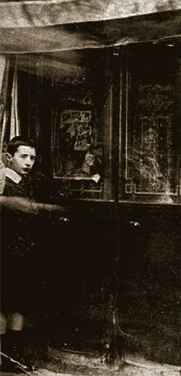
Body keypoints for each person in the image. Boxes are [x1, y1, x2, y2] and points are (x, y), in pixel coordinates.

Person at [0, 137, 63, 373]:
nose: (28, 162)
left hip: (24, 251)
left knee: (19, 301)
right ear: (9, 157)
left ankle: (13, 351)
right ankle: (6, 353)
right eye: (23, 157)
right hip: (4, 249)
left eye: (32, 158)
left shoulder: (31, 182)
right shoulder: (2, 181)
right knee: (4, 301)